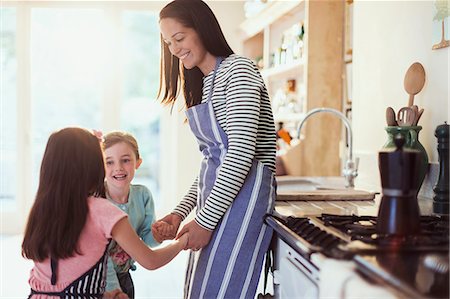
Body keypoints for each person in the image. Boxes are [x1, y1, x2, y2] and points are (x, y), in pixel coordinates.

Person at [152, 0, 277, 297]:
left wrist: (205, 221)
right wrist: (180, 213)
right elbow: (213, 161)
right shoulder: (203, 83)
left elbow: (241, 153)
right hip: (219, 205)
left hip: (244, 205)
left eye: (179, 38)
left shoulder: (239, 70)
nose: (174, 49)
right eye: (169, 43)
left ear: (202, 28)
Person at [22, 127, 187, 298]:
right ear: (94, 165)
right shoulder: (103, 210)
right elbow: (151, 261)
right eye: (106, 161)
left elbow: (66, 274)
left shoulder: (42, 209)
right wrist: (183, 241)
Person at [102, 131, 161, 298]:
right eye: (109, 162)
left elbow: (147, 240)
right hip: (100, 280)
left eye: (125, 160)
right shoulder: (97, 199)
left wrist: (159, 234)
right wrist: (114, 289)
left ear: (138, 162)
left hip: (125, 275)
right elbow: (99, 255)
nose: (118, 168)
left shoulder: (143, 195)